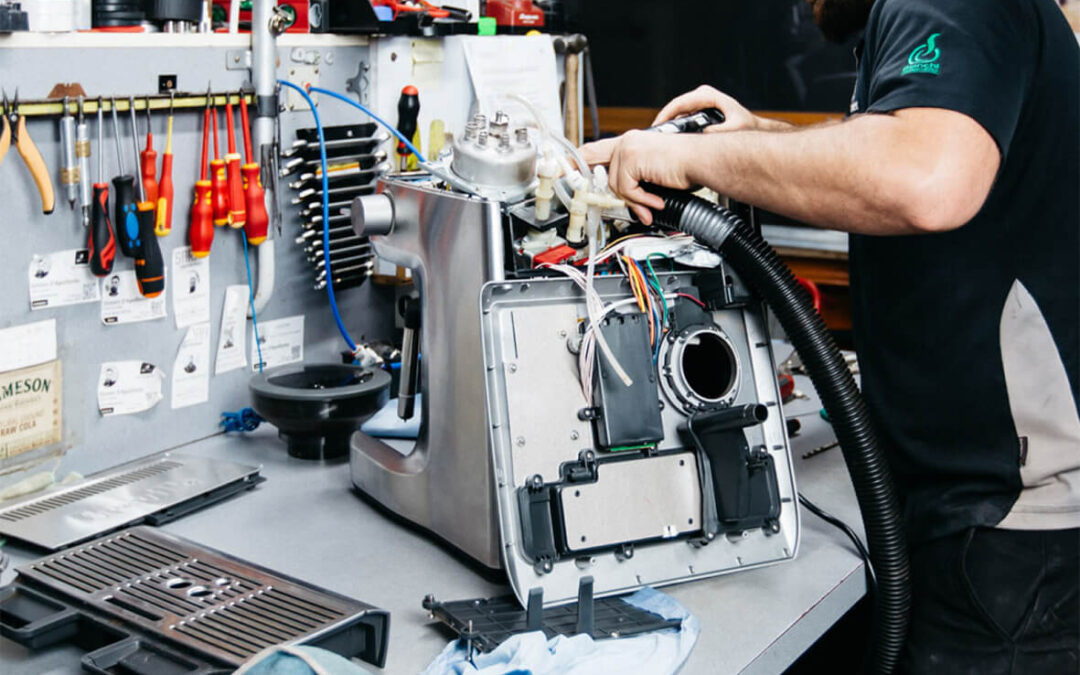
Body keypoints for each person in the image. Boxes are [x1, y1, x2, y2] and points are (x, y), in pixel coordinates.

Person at [580, 0, 1079, 672]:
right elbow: (898, 146)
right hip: (986, 517)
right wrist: (753, 137)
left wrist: (691, 156)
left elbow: (925, 178)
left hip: (1009, 538)